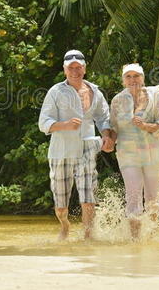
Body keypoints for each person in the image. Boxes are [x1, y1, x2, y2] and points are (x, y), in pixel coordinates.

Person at [38, 49, 114, 240]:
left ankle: (88, 237)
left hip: (88, 148)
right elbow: (43, 122)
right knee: (61, 206)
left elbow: (104, 118)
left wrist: (106, 135)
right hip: (61, 152)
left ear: (84, 68)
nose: (74, 71)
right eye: (70, 68)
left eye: (78, 67)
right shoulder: (55, 92)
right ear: (65, 70)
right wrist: (65, 124)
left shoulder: (95, 91)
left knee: (88, 199)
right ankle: (65, 225)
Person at [109, 63, 159, 239]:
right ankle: (135, 241)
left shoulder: (156, 97)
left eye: (136, 76)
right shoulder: (117, 101)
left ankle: (150, 237)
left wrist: (145, 126)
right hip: (128, 155)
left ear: (143, 78)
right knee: (133, 195)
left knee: (152, 197)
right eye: (128, 76)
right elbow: (113, 128)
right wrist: (109, 141)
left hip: (154, 154)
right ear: (123, 80)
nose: (133, 80)